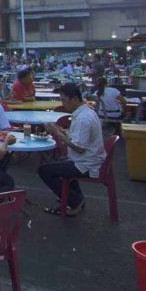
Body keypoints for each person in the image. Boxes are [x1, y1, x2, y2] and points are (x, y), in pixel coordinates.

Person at [40, 83, 106, 216]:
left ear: (75, 99)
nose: (63, 103)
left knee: (44, 170)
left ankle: (75, 201)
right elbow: (77, 136)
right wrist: (60, 130)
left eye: (64, 100)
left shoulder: (83, 118)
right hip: (91, 158)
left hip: (86, 163)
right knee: (59, 162)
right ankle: (73, 197)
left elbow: (79, 148)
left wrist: (56, 133)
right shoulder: (86, 112)